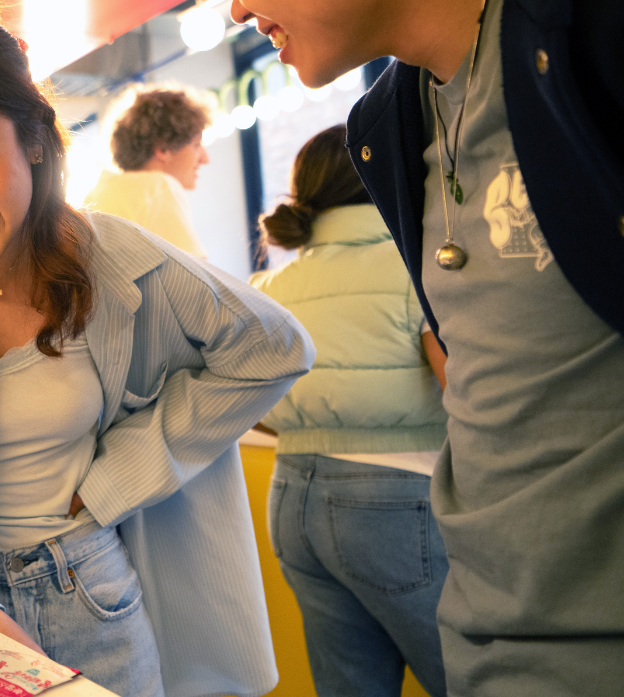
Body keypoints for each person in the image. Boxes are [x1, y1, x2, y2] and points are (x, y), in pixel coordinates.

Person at [0, 6, 314, 696]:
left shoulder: (113, 259)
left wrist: (124, 469)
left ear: (35, 139)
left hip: (90, 588)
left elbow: (273, 345)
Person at [230, 0, 624, 693]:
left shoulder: (582, 38)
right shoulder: (385, 130)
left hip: (302, 496)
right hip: (479, 614)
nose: (236, 10)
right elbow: (465, 377)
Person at [250, 125, 450, 697]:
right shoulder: (418, 268)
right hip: (395, 500)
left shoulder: (271, 285)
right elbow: (464, 391)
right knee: (473, 680)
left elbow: (254, 408)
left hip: (293, 500)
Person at [83, 84, 212, 259]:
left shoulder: (98, 195)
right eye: (196, 145)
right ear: (162, 148)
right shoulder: (157, 187)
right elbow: (198, 281)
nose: (205, 159)